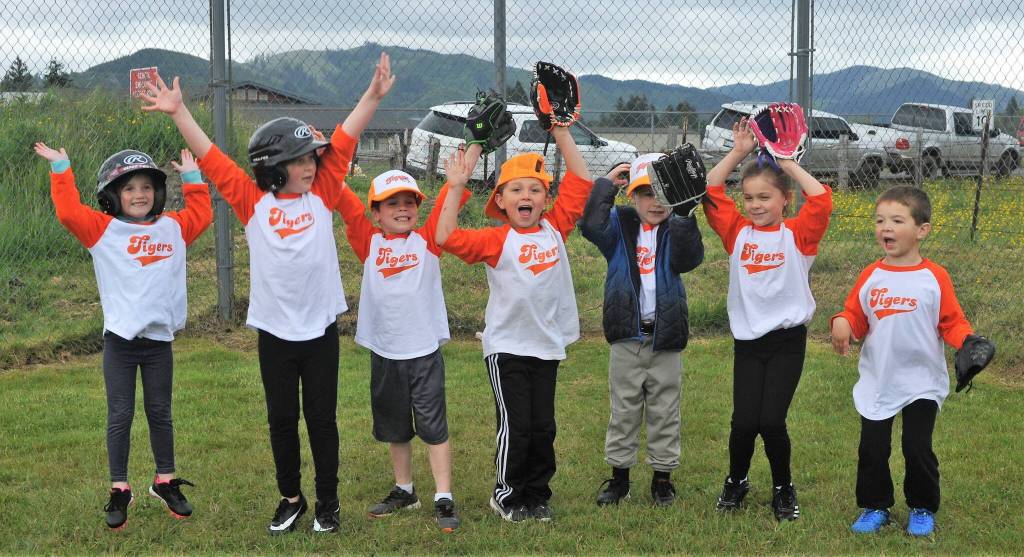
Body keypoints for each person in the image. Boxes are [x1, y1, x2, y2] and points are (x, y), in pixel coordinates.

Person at [141, 53, 395, 534]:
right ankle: (291, 497)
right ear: (273, 167)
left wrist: (373, 96)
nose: (309, 166)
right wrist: (179, 113)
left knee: (321, 419)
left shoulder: (323, 190)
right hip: (275, 334)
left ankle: (328, 501)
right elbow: (213, 160)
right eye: (299, 160)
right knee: (281, 421)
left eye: (310, 159)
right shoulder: (251, 200)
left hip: (319, 331)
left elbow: (344, 139)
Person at [33, 143, 211, 529]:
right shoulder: (103, 230)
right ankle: (120, 488)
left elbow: (202, 213)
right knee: (120, 414)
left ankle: (165, 480)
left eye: (146, 187)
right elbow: (67, 212)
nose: (139, 195)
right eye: (129, 189)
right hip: (121, 344)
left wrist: (193, 178)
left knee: (161, 412)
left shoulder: (173, 228)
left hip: (159, 343)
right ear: (113, 196)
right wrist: (61, 169)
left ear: (158, 193)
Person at [435, 127, 593, 523]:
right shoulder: (496, 239)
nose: (526, 196)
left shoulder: (555, 229)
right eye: (516, 190)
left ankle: (537, 496)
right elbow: (444, 235)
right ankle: (506, 495)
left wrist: (559, 129)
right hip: (507, 347)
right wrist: (455, 187)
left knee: (543, 428)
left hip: (546, 345)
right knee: (517, 426)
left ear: (546, 200)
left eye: (535, 189)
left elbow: (583, 179)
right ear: (501, 201)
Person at [334, 147, 476, 533]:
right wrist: (324, 156)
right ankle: (405, 489)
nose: (402, 209)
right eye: (390, 203)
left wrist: (475, 146)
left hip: (424, 352)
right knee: (395, 425)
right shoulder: (368, 241)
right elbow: (344, 201)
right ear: (376, 213)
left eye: (409, 202)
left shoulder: (428, 239)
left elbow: (454, 189)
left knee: (433, 425)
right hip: (386, 352)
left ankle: (443, 495)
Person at [702, 116, 832, 521]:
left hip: (786, 342)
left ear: (784, 200)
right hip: (748, 343)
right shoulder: (737, 233)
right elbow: (710, 187)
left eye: (765, 198)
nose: (756, 206)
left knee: (771, 421)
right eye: (750, 198)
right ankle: (736, 481)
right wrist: (739, 152)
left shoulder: (798, 235)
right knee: (743, 423)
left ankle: (783, 488)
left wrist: (787, 161)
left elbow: (822, 198)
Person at [831, 186, 978, 537]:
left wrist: (968, 342)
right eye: (880, 220)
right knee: (872, 448)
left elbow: (952, 322)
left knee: (917, 447)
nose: (887, 228)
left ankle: (922, 506)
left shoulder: (934, 277)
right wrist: (842, 322)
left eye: (897, 220)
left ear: (922, 230)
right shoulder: (871, 275)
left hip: (921, 381)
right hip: (879, 378)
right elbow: (857, 315)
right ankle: (874, 505)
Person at [580, 156, 704, 507]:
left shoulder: (676, 227)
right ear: (632, 197)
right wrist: (605, 184)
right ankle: (620, 479)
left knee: (665, 409)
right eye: (646, 193)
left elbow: (689, 258)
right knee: (624, 409)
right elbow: (590, 224)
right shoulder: (619, 227)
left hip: (665, 339)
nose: (656, 201)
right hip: (627, 338)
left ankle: (662, 479)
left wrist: (684, 214)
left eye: (664, 192)